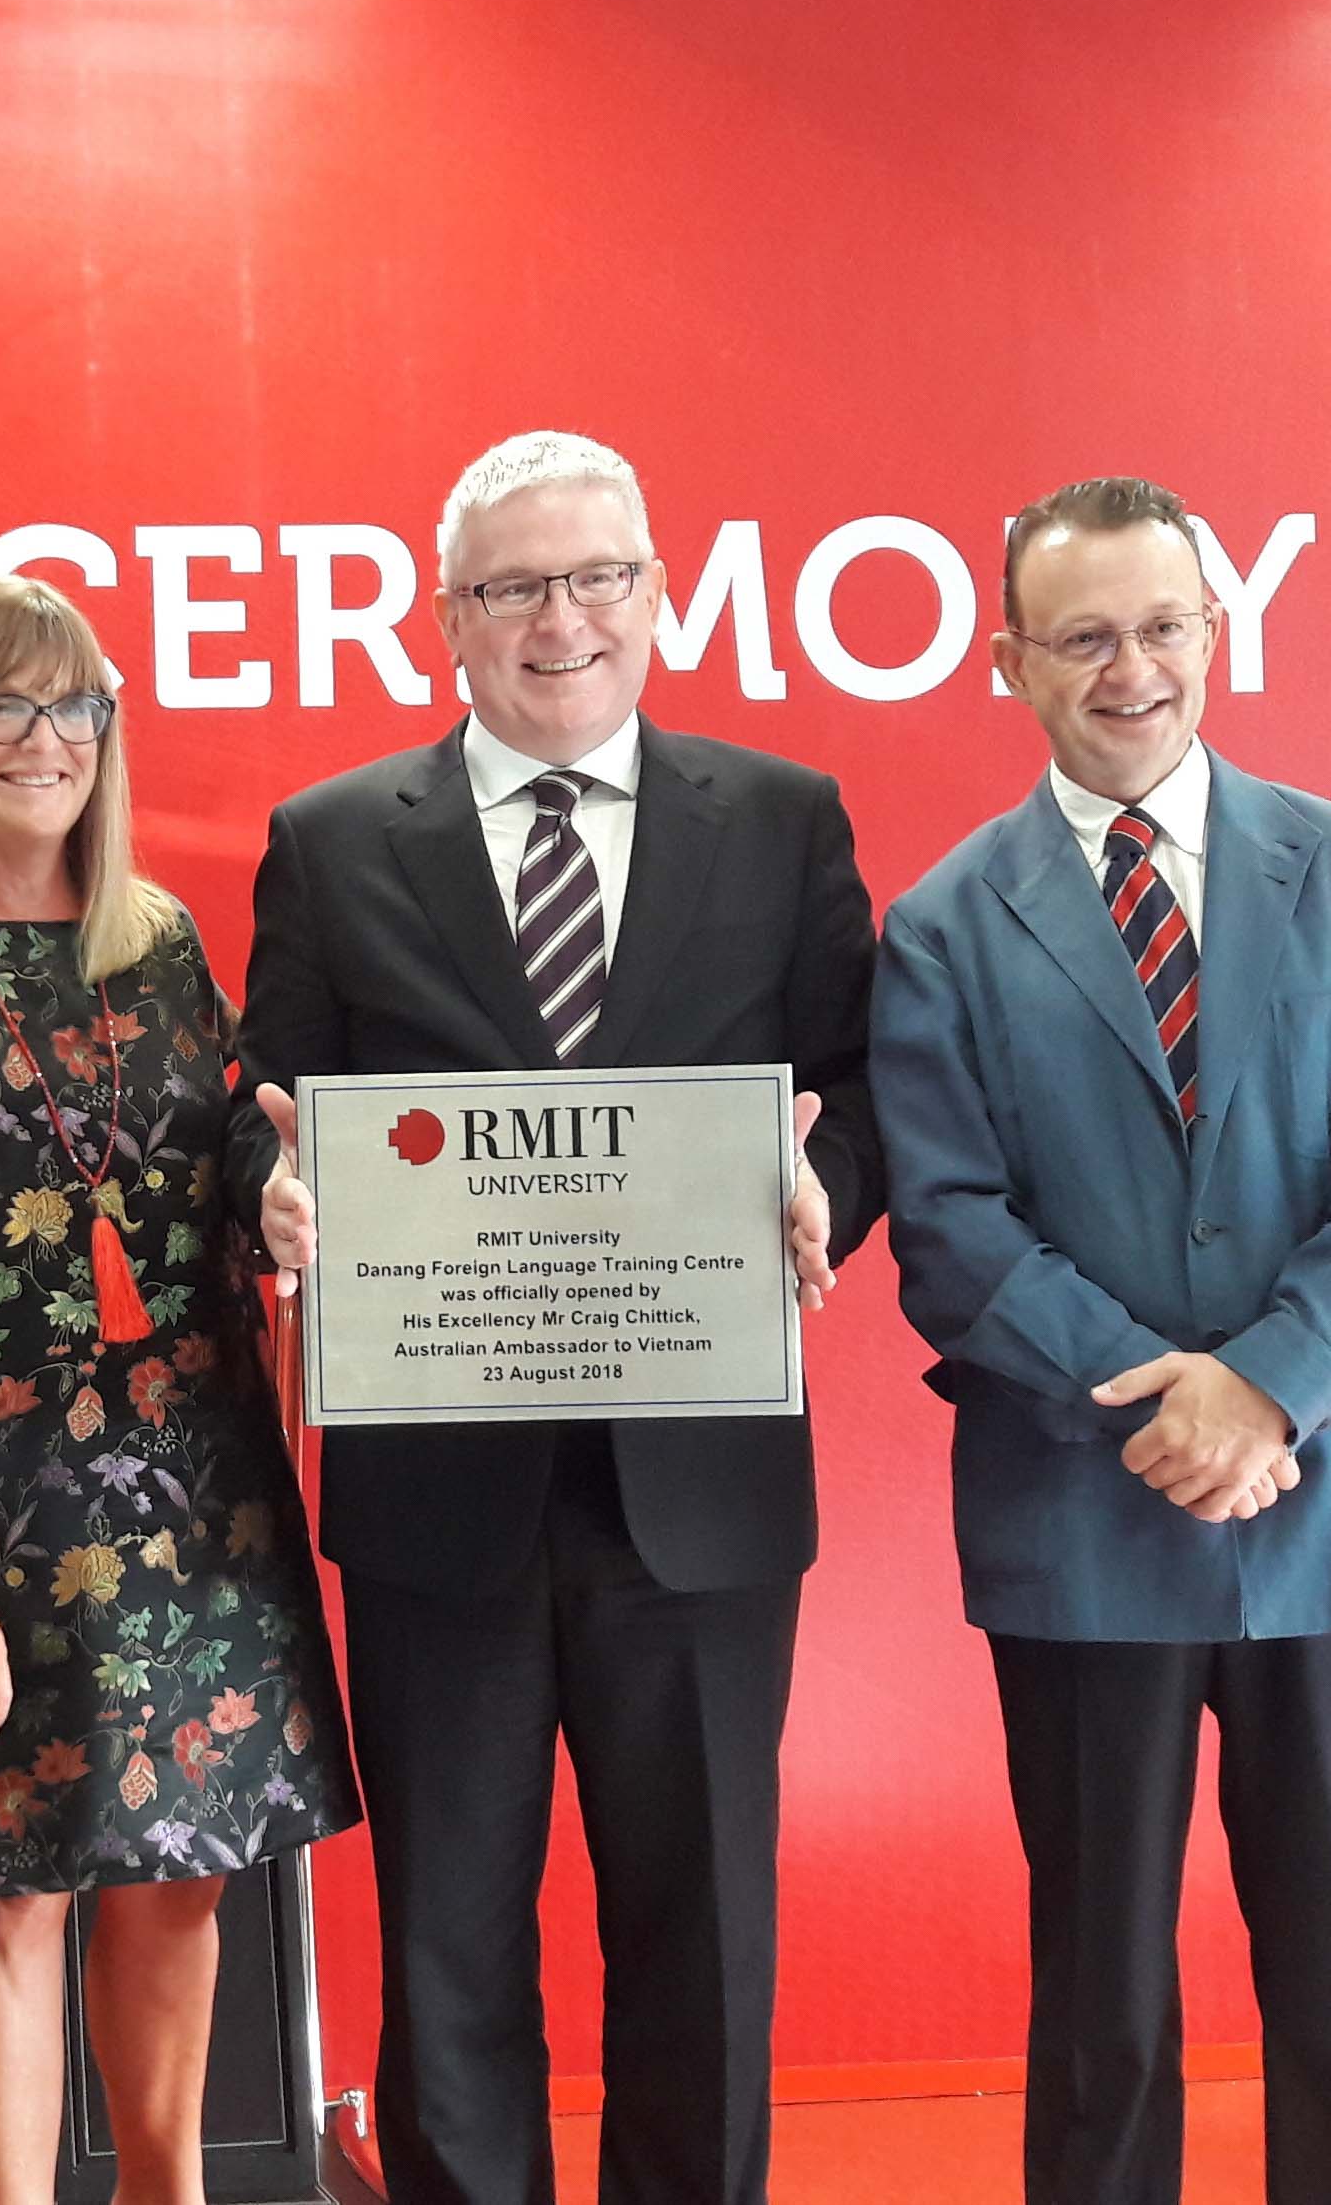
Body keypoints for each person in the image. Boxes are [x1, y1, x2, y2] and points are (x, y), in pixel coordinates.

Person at [228, 431, 883, 2205]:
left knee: (703, 1934)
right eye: (515, 585)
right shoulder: (336, 839)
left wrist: (841, 1188)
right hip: (443, 1487)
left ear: (661, 596)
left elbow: (858, 1085)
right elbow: (258, 1096)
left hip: (701, 1487)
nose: (561, 617)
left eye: (597, 576)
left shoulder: (782, 818)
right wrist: (266, 1192)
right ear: (447, 619)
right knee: (446, 1935)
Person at [871, 476, 1331, 2205]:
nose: (1127, 668)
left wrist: (1269, 1385)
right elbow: (948, 1224)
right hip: (1085, 1507)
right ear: (1006, 664)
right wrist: (1170, 1404)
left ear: (1214, 636)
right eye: (1081, 638)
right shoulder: (937, 929)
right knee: (1099, 1998)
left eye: (1160, 626)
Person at [0, 575, 358, 2205]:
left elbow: (226, 1126)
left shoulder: (154, 945)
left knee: (185, 1875)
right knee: (10, 1891)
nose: (47, 743)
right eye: (5, 710)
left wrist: (276, 1186)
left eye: (77, 709)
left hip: (194, 1487)